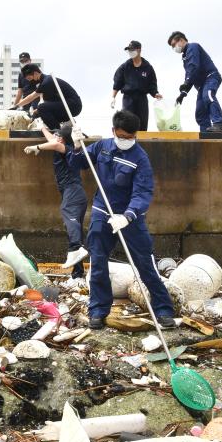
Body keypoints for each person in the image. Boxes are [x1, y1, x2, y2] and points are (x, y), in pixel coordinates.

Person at [67, 110, 176, 330]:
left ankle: (163, 309)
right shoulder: (103, 147)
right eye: (123, 136)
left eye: (131, 136)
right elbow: (77, 163)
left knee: (145, 264)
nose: (127, 140)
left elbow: (143, 192)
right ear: (114, 131)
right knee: (98, 262)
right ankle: (98, 310)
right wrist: (77, 145)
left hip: (130, 218)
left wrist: (128, 216)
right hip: (102, 211)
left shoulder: (140, 159)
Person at [24, 124, 88, 279]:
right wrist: (43, 128)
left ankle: (76, 248)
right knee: (74, 230)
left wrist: (36, 146)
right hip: (75, 194)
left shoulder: (69, 150)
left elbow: (54, 144)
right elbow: (52, 140)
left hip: (73, 192)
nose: (56, 137)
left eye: (59, 136)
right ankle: (78, 273)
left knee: (67, 214)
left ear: (64, 140)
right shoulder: (62, 145)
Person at [168, 31, 222, 132]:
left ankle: (218, 124)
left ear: (181, 40)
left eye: (174, 45)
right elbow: (190, 75)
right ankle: (205, 133)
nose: (174, 48)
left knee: (208, 96)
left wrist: (187, 82)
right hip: (202, 85)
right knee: (200, 111)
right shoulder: (185, 57)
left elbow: (194, 67)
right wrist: (183, 93)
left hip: (210, 77)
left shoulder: (192, 47)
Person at [111, 40, 162, 131]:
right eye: (129, 50)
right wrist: (113, 97)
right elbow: (117, 82)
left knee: (142, 123)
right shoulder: (125, 66)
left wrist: (155, 94)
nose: (130, 52)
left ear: (139, 50)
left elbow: (152, 84)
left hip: (142, 98)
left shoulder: (147, 67)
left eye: (132, 50)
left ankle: (140, 142)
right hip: (128, 98)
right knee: (127, 122)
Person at [14, 64, 82, 129]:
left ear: (35, 73)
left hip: (73, 104)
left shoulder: (47, 82)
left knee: (42, 108)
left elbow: (31, 97)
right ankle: (67, 122)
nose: (30, 81)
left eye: (29, 78)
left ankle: (57, 131)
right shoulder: (45, 81)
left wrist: (16, 106)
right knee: (42, 112)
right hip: (69, 105)